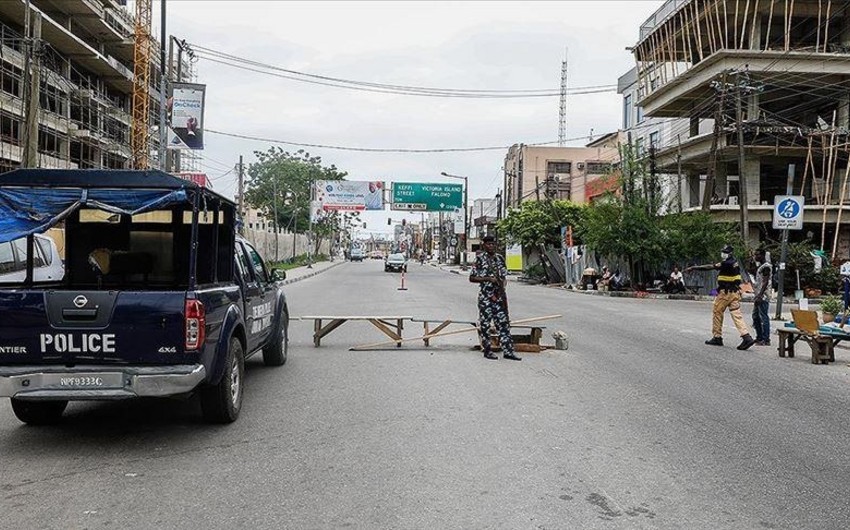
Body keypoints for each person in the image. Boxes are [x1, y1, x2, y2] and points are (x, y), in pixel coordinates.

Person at [686, 245, 756, 350]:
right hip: (735, 293)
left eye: (725, 252)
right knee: (737, 315)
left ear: (730, 254)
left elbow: (710, 267)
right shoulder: (735, 262)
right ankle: (746, 336)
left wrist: (694, 268)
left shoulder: (726, 263)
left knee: (717, 312)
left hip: (725, 293)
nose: (723, 254)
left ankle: (717, 337)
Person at [469, 235, 520, 361]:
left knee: (504, 324)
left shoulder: (499, 259)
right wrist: (488, 279)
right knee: (486, 325)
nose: (491, 246)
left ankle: (508, 351)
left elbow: (504, 277)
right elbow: (472, 278)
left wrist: (502, 289)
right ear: (484, 245)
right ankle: (487, 350)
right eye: (488, 244)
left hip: (499, 297)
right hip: (486, 297)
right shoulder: (480, 259)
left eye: (493, 244)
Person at [751, 249, 772, 346]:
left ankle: (766, 339)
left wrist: (760, 295)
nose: (755, 256)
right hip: (758, 295)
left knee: (763, 317)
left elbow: (765, 282)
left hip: (763, 296)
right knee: (755, 316)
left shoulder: (766, 267)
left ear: (762, 255)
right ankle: (759, 337)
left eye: (757, 254)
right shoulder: (761, 266)